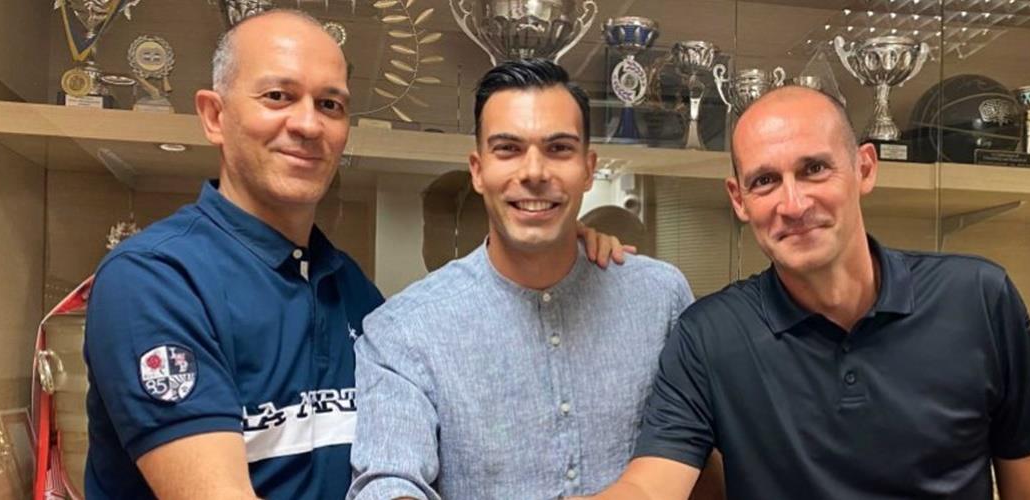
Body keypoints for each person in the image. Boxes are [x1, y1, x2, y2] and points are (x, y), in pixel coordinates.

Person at [83, 11, 625, 500]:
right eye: (278, 96)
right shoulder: (156, 282)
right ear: (213, 116)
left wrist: (557, 243)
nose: (307, 124)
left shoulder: (352, 292)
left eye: (330, 104)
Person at [579, 87, 1030, 500]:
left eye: (814, 169)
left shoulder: (978, 298)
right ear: (739, 199)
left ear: (865, 168)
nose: (793, 204)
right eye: (765, 181)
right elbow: (650, 486)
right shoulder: (708, 336)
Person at [347, 59, 696, 500]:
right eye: (508, 149)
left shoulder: (660, 299)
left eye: (559, 148)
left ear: (588, 169)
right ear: (478, 170)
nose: (534, 172)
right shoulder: (404, 330)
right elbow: (387, 481)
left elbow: (701, 448)